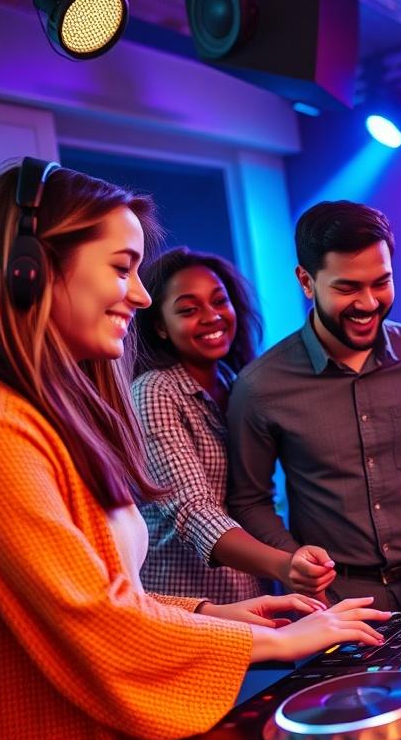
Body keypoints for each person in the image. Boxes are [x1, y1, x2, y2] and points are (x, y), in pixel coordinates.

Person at [0, 159, 390, 740]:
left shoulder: (50, 413)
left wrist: (216, 614)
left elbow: (109, 591)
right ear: (31, 272)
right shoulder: (5, 430)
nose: (140, 293)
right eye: (122, 268)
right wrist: (275, 642)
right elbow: (98, 622)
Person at [227, 200, 401, 613]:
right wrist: (292, 559)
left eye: (381, 282)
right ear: (306, 282)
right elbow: (249, 500)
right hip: (330, 606)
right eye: (347, 288)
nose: (368, 303)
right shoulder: (260, 386)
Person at [133, 248, 336, 602]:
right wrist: (285, 564)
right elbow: (194, 510)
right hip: (188, 605)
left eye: (218, 301)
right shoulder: (154, 390)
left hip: (251, 596)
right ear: (160, 327)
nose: (212, 317)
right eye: (189, 310)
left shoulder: (236, 384)